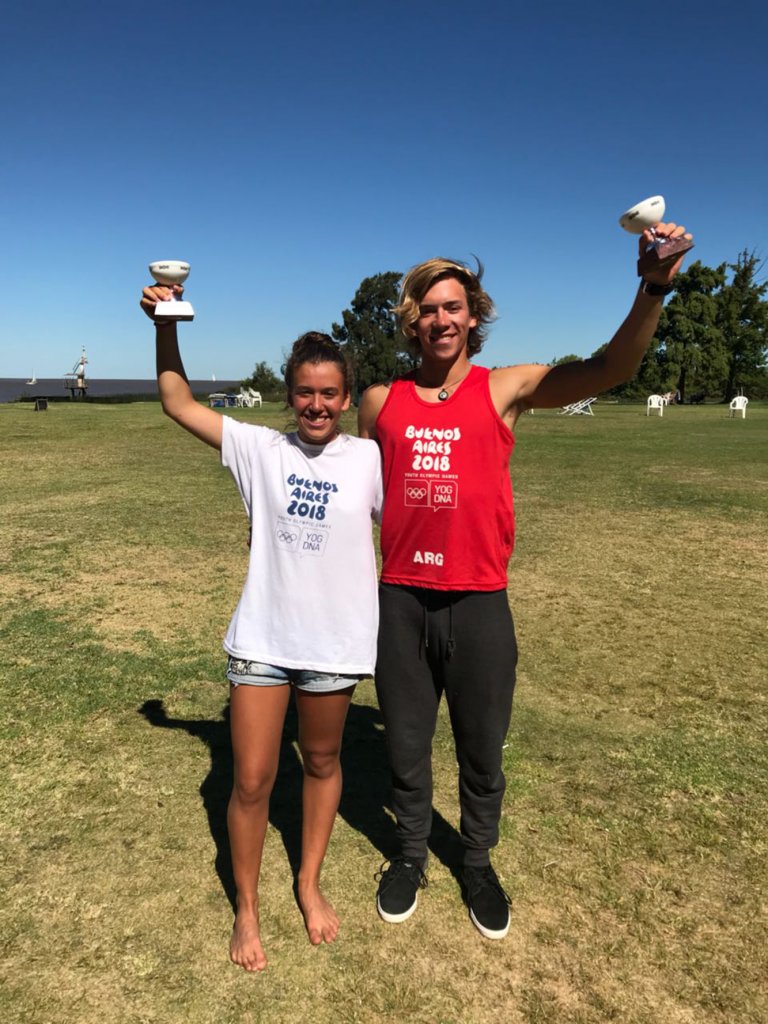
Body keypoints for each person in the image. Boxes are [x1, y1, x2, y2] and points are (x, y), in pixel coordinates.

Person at [359, 220, 693, 940]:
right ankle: (411, 856)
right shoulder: (380, 403)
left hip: (479, 603)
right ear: (410, 321)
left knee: (482, 749)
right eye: (427, 308)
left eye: (453, 306)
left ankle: (476, 862)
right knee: (406, 748)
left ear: (473, 316)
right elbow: (359, 495)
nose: (441, 318)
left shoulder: (504, 387)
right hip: (400, 602)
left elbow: (611, 368)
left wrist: (654, 285)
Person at [140, 287, 382, 972]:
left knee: (323, 762)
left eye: (329, 394)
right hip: (263, 641)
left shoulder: (367, 459)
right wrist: (166, 326)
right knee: (250, 779)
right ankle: (246, 907)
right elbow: (177, 403)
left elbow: (412, 522)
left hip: (334, 644)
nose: (316, 406)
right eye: (305, 393)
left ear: (346, 396)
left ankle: (308, 881)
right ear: (289, 394)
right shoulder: (259, 449)